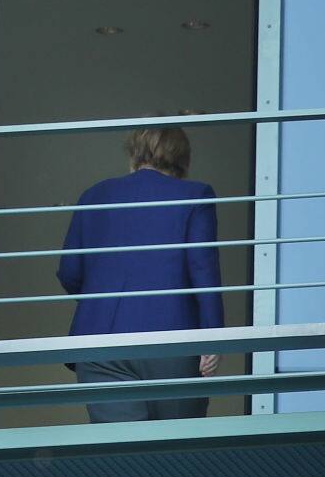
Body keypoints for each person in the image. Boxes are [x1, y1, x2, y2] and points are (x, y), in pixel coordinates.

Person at [57, 125, 222, 423]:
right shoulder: (195, 195)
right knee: (174, 445)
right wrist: (212, 339)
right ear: (182, 159)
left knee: (120, 447)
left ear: (133, 154)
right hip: (172, 341)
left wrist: (103, 301)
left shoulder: (94, 195)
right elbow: (203, 271)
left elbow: (70, 271)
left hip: (101, 344)